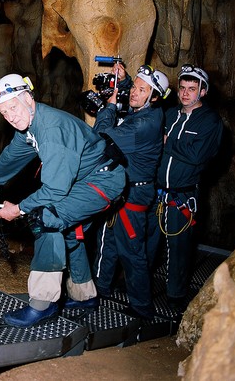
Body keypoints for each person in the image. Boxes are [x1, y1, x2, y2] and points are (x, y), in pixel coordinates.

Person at [0, 73, 126, 327]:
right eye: (4, 112)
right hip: (86, 180)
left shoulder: (51, 129)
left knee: (46, 218)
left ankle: (43, 303)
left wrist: (18, 209)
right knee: (70, 233)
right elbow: (16, 151)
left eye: (13, 107)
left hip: (102, 181)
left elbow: (54, 191)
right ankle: (85, 296)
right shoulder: (31, 123)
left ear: (27, 98)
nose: (10, 116)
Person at [92, 64, 169, 319]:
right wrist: (124, 83)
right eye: (134, 87)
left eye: (141, 89)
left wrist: (110, 107)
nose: (134, 93)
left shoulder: (143, 125)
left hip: (134, 195)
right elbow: (136, 101)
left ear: (154, 97)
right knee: (111, 243)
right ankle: (101, 288)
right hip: (127, 190)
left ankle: (141, 307)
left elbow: (100, 137)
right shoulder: (149, 112)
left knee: (132, 252)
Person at [147, 65, 223, 313]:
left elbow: (197, 155)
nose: (185, 93)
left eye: (192, 89)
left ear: (203, 91)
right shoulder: (169, 114)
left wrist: (167, 142)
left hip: (183, 196)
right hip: (158, 193)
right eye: (182, 88)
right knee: (148, 245)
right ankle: (140, 291)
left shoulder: (209, 121)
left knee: (178, 250)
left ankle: (175, 298)